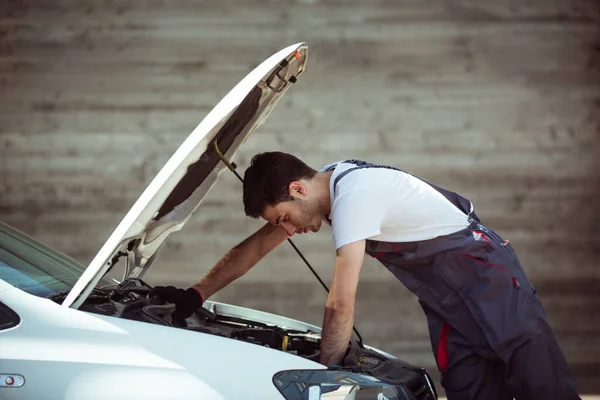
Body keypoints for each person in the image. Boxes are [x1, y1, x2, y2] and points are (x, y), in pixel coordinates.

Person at [150, 151, 581, 400]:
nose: (288, 229)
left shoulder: (355, 195)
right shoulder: (324, 190)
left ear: (298, 190)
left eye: (284, 217)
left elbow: (340, 304)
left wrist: (325, 377)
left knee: (540, 383)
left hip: (485, 275)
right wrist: (196, 293)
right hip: (444, 298)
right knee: (470, 390)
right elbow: (255, 247)